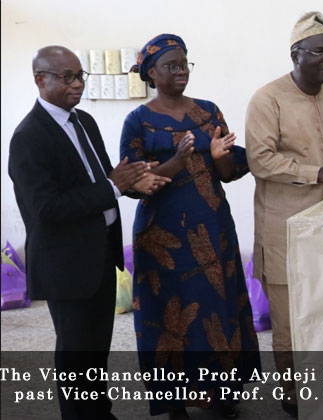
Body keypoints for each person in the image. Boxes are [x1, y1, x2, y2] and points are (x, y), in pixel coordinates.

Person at [8, 45, 167, 420]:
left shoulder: (84, 122)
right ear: (40, 80)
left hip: (99, 255)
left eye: (80, 75)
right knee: (76, 355)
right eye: (67, 77)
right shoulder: (29, 137)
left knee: (95, 350)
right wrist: (113, 186)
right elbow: (45, 210)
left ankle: (99, 413)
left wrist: (135, 181)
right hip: (66, 263)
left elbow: (104, 180)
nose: (77, 84)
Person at [121, 34, 260, 420]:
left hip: (212, 227)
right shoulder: (138, 121)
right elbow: (133, 184)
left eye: (184, 64)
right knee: (171, 314)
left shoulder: (209, 112)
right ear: (151, 72)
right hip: (162, 237)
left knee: (215, 309)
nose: (181, 71)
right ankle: (176, 402)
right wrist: (178, 160)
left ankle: (221, 393)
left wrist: (217, 155)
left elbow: (228, 172)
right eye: (171, 66)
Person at [245, 11, 323, 417]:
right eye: (319, 52)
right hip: (286, 227)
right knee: (289, 319)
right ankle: (294, 396)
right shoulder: (268, 99)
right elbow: (260, 161)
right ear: (296, 55)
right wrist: (321, 172)